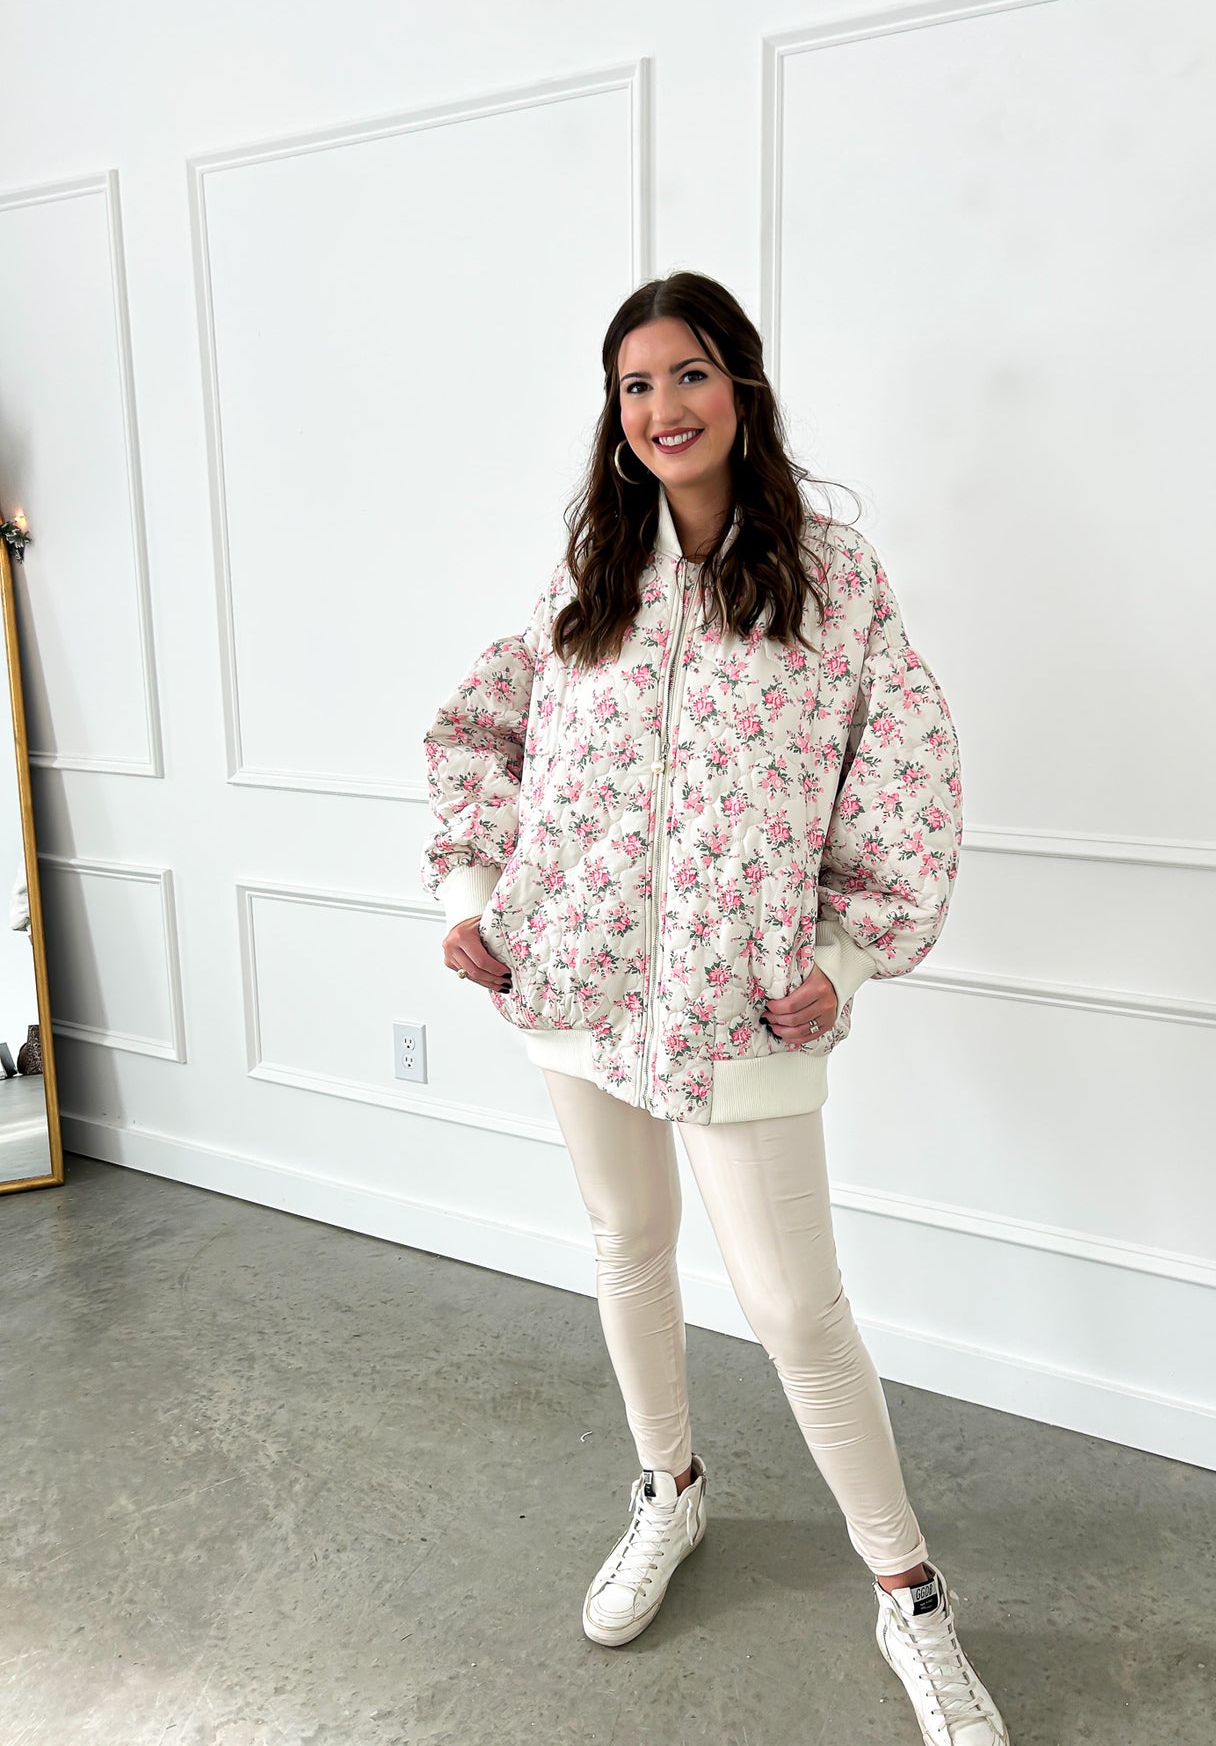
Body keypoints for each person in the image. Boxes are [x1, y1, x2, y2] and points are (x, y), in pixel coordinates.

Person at [421, 272, 1009, 1744]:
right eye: (635, 385)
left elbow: (905, 772)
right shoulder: (593, 575)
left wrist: (848, 957)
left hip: (745, 1002)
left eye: (687, 374)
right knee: (627, 1245)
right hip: (577, 978)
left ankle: (911, 1598)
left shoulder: (828, 576)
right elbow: (484, 727)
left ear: (740, 387)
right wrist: (474, 896)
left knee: (796, 1309)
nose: (662, 407)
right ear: (614, 414)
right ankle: (669, 1490)